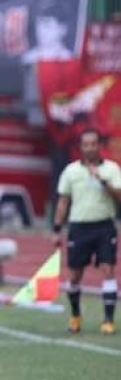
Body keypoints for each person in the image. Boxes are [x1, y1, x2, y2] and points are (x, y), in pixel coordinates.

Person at [52, 128, 121, 334]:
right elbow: (63, 202)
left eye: (93, 144)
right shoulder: (71, 171)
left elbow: (119, 196)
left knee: (108, 270)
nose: (90, 148)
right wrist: (56, 229)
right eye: (86, 144)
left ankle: (108, 320)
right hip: (79, 228)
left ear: (100, 146)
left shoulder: (112, 169)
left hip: (104, 227)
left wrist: (101, 179)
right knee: (74, 275)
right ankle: (75, 315)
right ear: (81, 147)